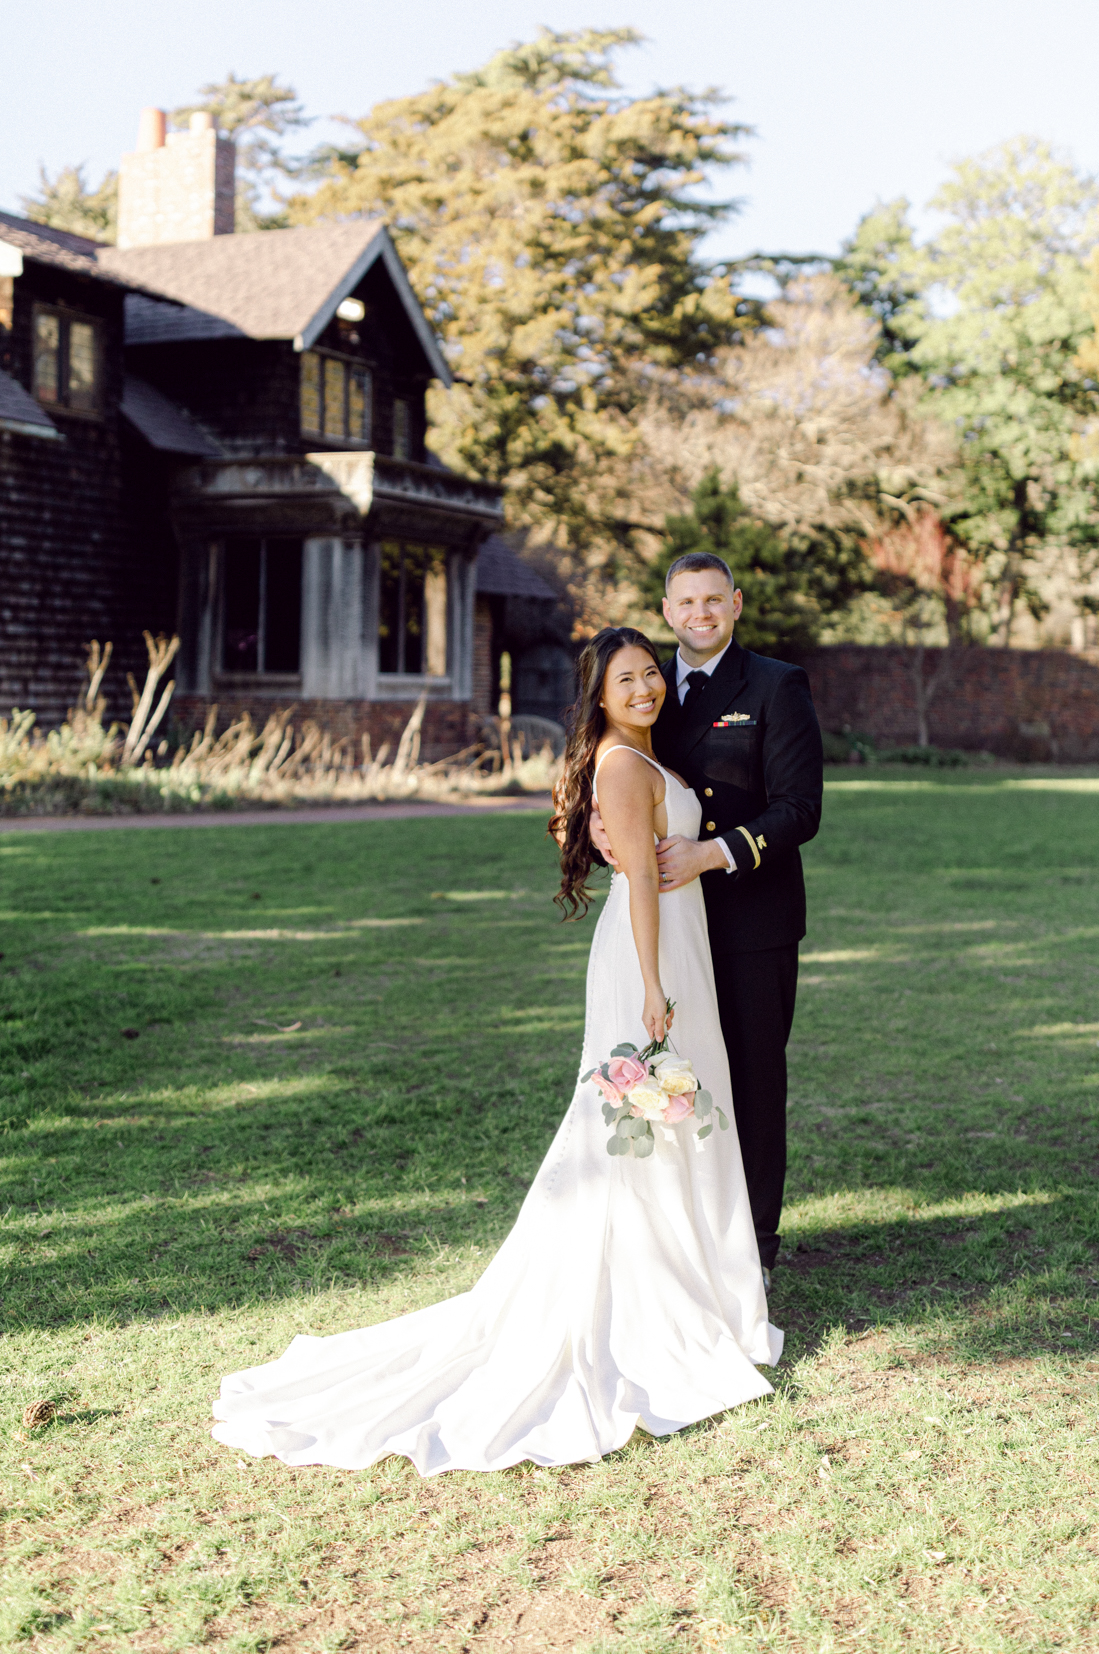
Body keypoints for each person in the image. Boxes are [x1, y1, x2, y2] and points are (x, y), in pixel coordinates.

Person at [210, 626, 780, 1476]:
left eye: (650, 675)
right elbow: (637, 891)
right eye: (625, 679)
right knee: (644, 1127)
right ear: (596, 695)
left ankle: (693, 1281)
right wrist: (656, 988)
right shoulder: (622, 768)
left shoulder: (644, 760)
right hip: (650, 961)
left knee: (671, 1125)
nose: (645, 688)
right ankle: (661, 1297)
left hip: (677, 951)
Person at [590, 554, 824, 1280]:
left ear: (735, 603)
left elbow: (798, 810)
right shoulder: (650, 685)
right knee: (683, 1081)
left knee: (752, 1082)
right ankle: (684, 1239)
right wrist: (601, 842)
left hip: (752, 921)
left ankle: (752, 1251)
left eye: (713, 600)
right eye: (686, 601)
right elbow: (618, 779)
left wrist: (712, 853)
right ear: (666, 609)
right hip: (673, 926)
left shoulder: (776, 685)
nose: (700, 614)